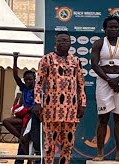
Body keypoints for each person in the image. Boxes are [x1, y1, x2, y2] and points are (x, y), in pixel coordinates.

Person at [34, 31, 87, 164]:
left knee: (68, 144)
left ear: (70, 44)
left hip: (71, 110)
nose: (64, 43)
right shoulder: (47, 59)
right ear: (55, 43)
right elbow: (39, 83)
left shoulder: (76, 61)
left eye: (66, 41)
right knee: (49, 144)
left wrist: (82, 104)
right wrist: (37, 102)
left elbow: (81, 85)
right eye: (61, 41)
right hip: (51, 109)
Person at [91, 15, 119, 162]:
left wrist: (117, 80)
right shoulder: (99, 44)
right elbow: (94, 64)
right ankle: (100, 153)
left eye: (116, 27)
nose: (113, 29)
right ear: (105, 28)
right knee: (103, 118)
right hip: (104, 82)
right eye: (110, 27)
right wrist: (109, 80)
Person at [3, 53, 36, 164]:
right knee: (6, 121)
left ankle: (28, 160)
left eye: (30, 80)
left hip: (32, 117)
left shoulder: (38, 89)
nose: (27, 82)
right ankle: (21, 139)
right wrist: (15, 59)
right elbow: (15, 76)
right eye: (26, 80)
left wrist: (30, 109)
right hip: (24, 114)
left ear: (35, 80)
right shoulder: (23, 88)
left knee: (29, 141)